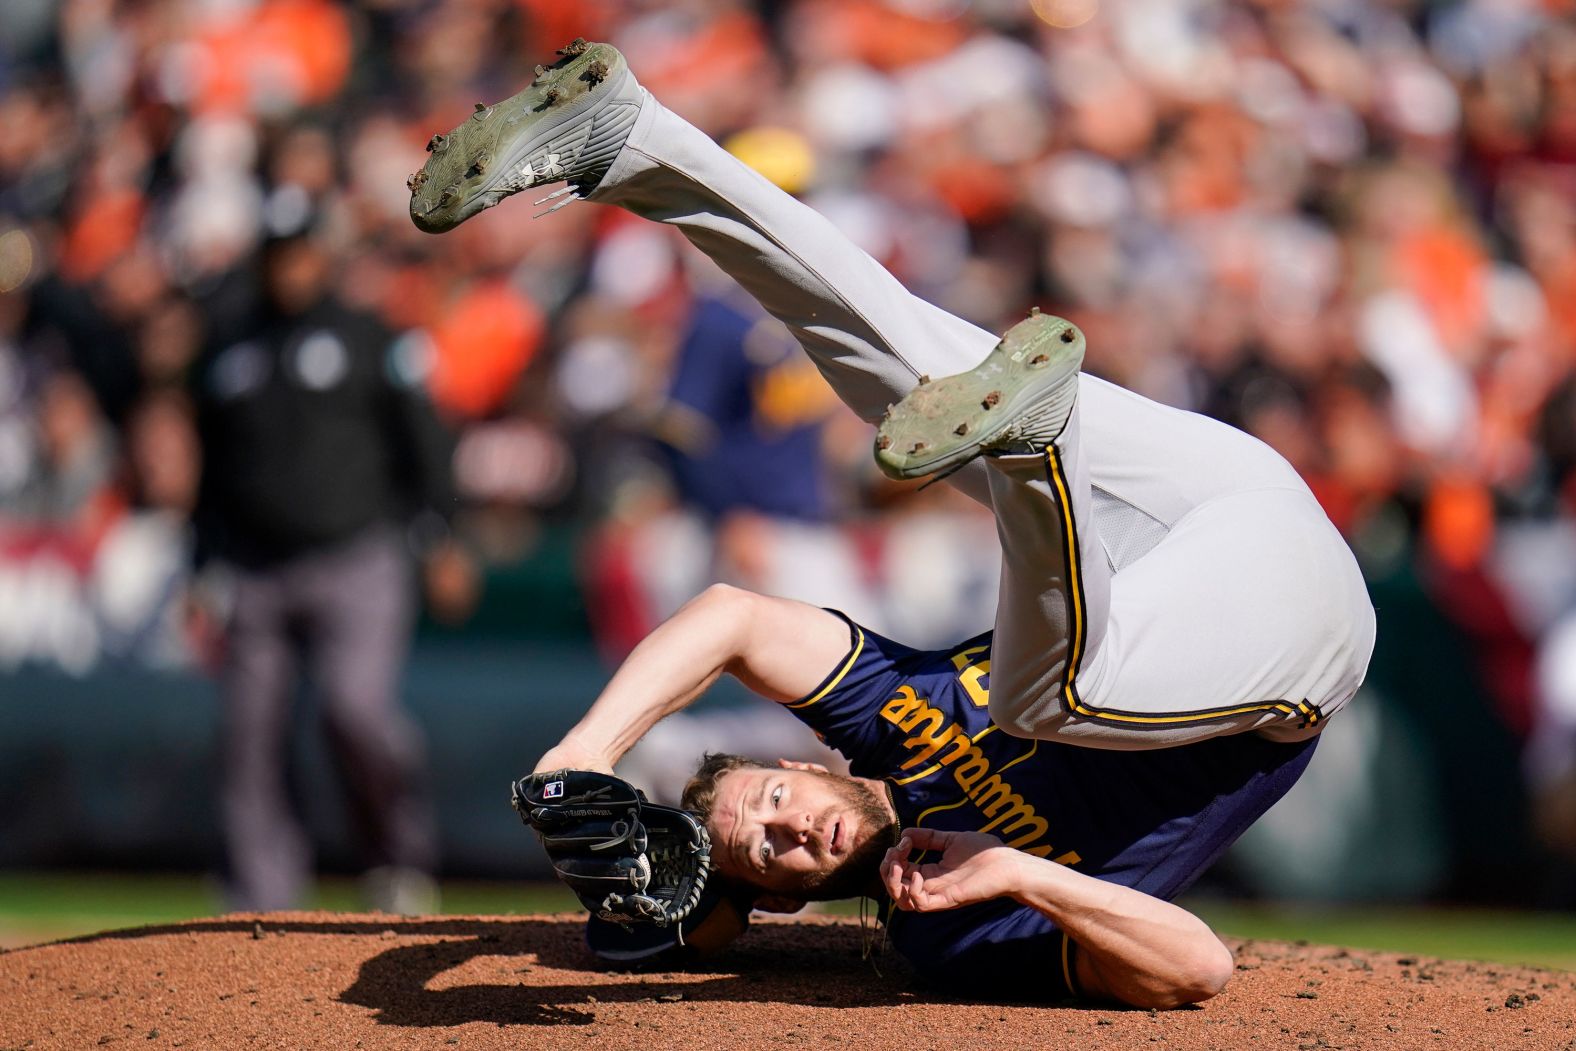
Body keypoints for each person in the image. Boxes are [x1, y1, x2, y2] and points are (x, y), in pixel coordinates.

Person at [410, 40, 1376, 1006]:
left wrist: (587, 750)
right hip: (1291, 645)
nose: (791, 831)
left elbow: (731, 619)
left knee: (898, 363)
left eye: (776, 802)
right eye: (773, 854)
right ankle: (1030, 443)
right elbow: (1199, 969)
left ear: (797, 762)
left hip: (1218, 503)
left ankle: (629, 142)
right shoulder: (951, 924)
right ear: (786, 903)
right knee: (1045, 698)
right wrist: (1026, 874)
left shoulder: (887, 725)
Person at [193, 208, 458, 914]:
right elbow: (210, 476)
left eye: (302, 253)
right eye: (278, 255)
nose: (291, 269)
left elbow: (424, 441)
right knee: (249, 733)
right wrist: (200, 566)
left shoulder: (368, 335)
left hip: (358, 554)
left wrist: (442, 534)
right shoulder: (228, 348)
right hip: (255, 565)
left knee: (355, 709)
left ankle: (397, 862)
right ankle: (259, 894)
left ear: (322, 256)